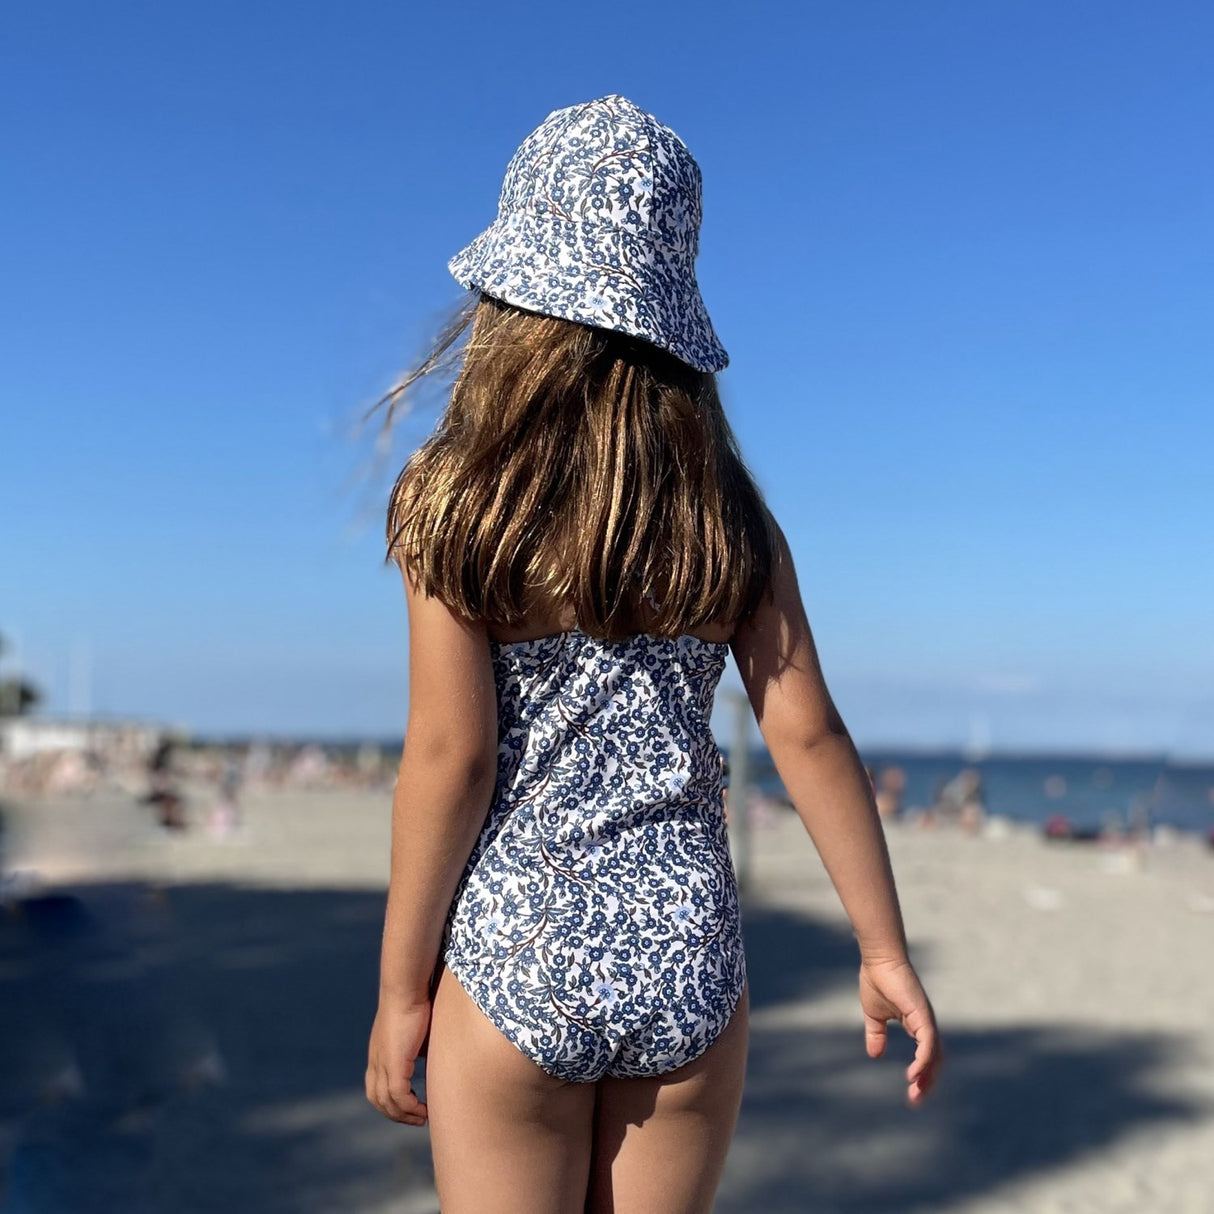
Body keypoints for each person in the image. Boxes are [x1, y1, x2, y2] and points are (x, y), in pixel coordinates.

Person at [364, 94, 943, 1214]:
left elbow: (451, 759)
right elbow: (807, 733)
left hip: (518, 948)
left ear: (510, 295)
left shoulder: (458, 499)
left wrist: (400, 992)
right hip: (687, 956)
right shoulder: (726, 513)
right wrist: (883, 950)